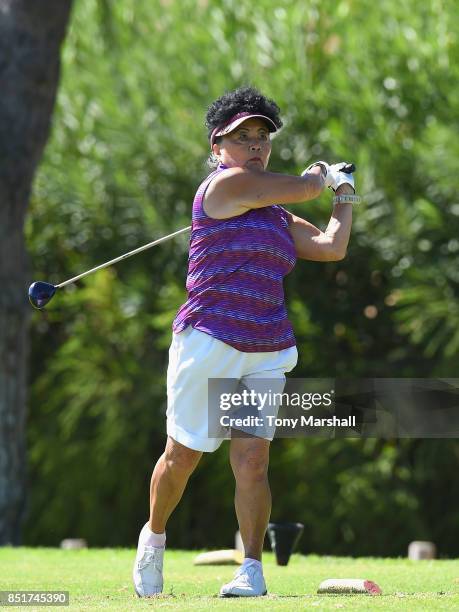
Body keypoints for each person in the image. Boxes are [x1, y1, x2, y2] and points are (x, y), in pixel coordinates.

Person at [133, 86, 358, 598]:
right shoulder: (221, 189)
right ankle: (154, 536)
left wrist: (344, 196)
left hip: (265, 345)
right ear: (218, 148)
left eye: (262, 137)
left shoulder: (275, 214)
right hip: (208, 340)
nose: (255, 145)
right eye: (242, 137)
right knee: (182, 456)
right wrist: (320, 176)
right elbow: (302, 188)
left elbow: (330, 246)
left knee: (253, 460)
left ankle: (251, 569)